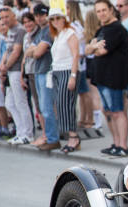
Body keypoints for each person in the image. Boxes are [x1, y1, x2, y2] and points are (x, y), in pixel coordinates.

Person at [85, 0, 128, 157]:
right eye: (98, 11)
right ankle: (116, 144)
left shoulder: (117, 29)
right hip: (103, 79)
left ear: (111, 10)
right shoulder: (102, 29)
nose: (101, 14)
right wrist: (93, 47)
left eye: (104, 10)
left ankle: (123, 146)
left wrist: (94, 48)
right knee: (108, 112)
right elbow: (87, 50)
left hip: (115, 79)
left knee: (118, 112)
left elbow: (101, 51)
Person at [25, 3, 59, 149]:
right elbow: (29, 51)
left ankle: (53, 139)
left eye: (42, 15)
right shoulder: (40, 31)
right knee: (42, 107)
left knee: (46, 107)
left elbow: (37, 52)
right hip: (39, 71)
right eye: (37, 15)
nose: (39, 18)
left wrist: (36, 50)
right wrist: (35, 50)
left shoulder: (48, 31)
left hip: (46, 71)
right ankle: (49, 136)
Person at [0, 6, 34, 144]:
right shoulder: (10, 31)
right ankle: (20, 132)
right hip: (9, 71)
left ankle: (28, 133)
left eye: (7, 17)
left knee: (21, 102)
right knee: (9, 103)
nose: (4, 20)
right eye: (2, 17)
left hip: (16, 70)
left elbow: (16, 51)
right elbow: (8, 51)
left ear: (13, 16)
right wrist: (2, 66)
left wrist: (5, 66)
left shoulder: (20, 30)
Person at [49, 8, 80, 153]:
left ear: (63, 18)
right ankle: (69, 136)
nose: (55, 21)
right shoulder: (58, 35)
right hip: (57, 70)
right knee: (60, 104)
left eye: (58, 18)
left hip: (68, 70)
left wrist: (73, 76)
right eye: (53, 19)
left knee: (67, 103)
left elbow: (75, 55)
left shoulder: (70, 33)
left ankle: (74, 137)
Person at [67, 0, 93, 129]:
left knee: (84, 93)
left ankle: (89, 118)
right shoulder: (77, 25)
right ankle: (84, 118)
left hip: (79, 64)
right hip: (78, 63)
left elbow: (79, 48)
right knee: (82, 93)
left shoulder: (74, 26)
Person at [83, 9, 104, 129]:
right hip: (96, 62)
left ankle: (98, 121)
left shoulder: (87, 34)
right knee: (96, 94)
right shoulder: (99, 32)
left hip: (90, 63)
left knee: (93, 94)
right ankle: (98, 120)